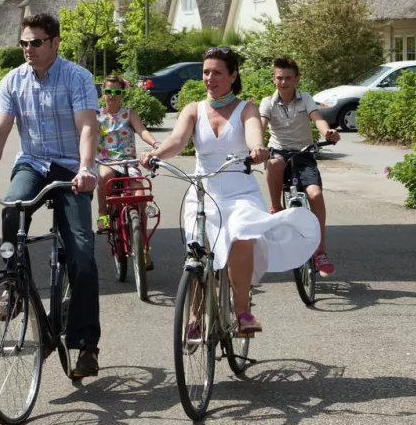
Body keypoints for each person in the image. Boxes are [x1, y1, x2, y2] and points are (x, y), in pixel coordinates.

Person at [143, 47, 319, 336]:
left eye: (217, 72)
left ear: (233, 75)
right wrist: (157, 154)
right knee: (199, 253)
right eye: (206, 72)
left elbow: (253, 133)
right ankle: (195, 315)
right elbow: (176, 140)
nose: (209, 78)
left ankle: (242, 312)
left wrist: (256, 149)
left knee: (241, 237)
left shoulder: (246, 109)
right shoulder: (193, 109)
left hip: (240, 192)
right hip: (203, 192)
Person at [0, 13, 104, 380]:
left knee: (80, 249)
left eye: (37, 42)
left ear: (55, 42)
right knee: (12, 209)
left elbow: (88, 125)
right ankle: (14, 286)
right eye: (24, 43)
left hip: (72, 167)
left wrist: (86, 168)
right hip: (32, 163)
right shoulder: (12, 80)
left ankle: (86, 344)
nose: (29, 49)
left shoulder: (77, 77)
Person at [260, 56, 341, 276]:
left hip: (304, 154)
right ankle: (276, 208)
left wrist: (328, 133)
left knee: (315, 195)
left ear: (296, 79)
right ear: (274, 79)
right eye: (279, 78)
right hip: (279, 153)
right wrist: (256, 144)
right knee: (274, 163)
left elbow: (318, 119)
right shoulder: (267, 102)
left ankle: (320, 251)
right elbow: (261, 125)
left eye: (288, 78)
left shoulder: (305, 99)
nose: (283, 82)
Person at [96, 74, 159, 233]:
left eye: (117, 92)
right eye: (109, 91)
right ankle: (102, 213)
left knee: (140, 196)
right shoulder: (97, 115)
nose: (112, 95)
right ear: (103, 92)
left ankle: (142, 246)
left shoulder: (130, 113)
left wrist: (155, 143)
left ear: (123, 94)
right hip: (107, 161)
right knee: (104, 176)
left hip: (128, 163)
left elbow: (142, 131)